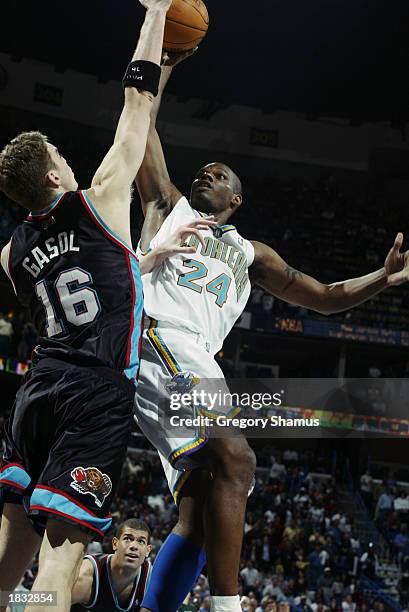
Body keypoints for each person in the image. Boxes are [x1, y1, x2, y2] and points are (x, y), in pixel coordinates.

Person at [134, 53, 409, 612]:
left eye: (220, 174)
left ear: (236, 200)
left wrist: (383, 278)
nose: (206, 173)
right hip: (161, 341)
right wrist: (161, 66)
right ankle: (230, 608)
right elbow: (141, 125)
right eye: (202, 171)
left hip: (197, 363)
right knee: (239, 460)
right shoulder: (169, 206)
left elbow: (327, 297)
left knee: (200, 510)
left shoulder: (251, 253)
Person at [0, 4, 215, 611]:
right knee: (58, 567)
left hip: (35, 393)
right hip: (92, 397)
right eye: (60, 155)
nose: (69, 158)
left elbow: (84, 291)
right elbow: (137, 105)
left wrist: (143, 261)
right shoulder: (100, 198)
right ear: (52, 171)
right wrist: (154, 14)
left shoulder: (11, 253)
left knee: (6, 556)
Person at [71, 519, 152, 611]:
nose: (134, 546)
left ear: (148, 550)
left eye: (141, 541)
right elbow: (51, 597)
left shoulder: (151, 580)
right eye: (128, 539)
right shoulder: (89, 575)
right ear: (115, 543)